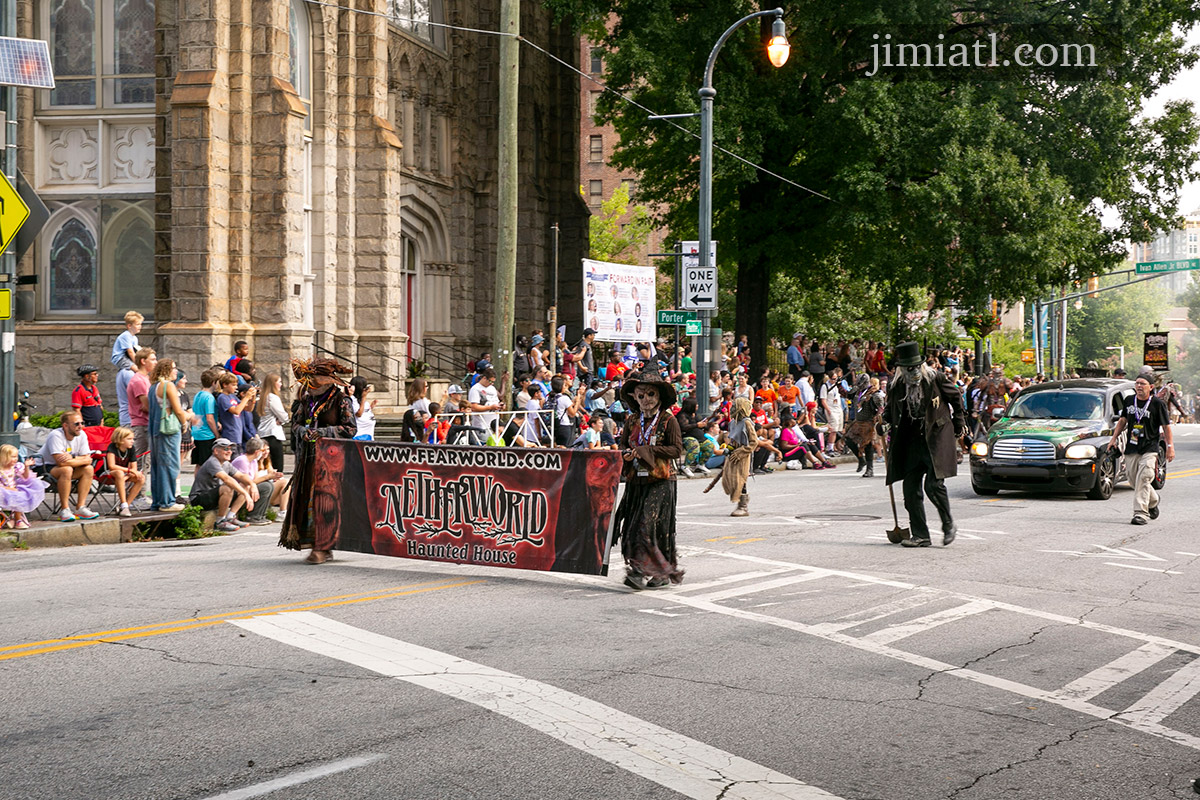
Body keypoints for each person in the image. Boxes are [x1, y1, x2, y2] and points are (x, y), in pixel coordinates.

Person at [884, 342, 965, 548]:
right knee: (910, 489)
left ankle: (948, 525)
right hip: (911, 440)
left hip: (935, 436)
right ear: (901, 368)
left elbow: (955, 398)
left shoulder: (935, 378)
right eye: (907, 368)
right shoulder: (896, 384)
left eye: (914, 367)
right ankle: (920, 535)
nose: (912, 372)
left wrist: (959, 422)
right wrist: (884, 423)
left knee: (933, 485)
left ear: (921, 365)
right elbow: (890, 408)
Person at [280, 357, 357, 564]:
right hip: (308, 460)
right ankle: (319, 544)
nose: (310, 387)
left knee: (325, 503)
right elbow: (294, 425)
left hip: (331, 462)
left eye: (314, 382)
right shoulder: (305, 401)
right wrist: (303, 431)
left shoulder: (341, 401)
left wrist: (321, 432)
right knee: (309, 502)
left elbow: (350, 429)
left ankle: (322, 547)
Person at [612, 372, 684, 589]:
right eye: (641, 395)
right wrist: (625, 454)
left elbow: (676, 449)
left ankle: (641, 571)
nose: (646, 400)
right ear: (634, 396)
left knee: (649, 525)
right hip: (636, 482)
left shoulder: (668, 420)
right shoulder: (632, 421)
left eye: (651, 394)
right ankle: (651, 571)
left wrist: (647, 450)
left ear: (659, 396)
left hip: (661, 481)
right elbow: (623, 445)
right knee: (633, 528)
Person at [1109, 373, 1174, 525]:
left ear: (1151, 387)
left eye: (1142, 384)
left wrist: (1170, 447)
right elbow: (1123, 420)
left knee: (1144, 477)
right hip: (1132, 446)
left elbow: (1166, 427)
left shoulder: (1158, 404)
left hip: (1150, 448)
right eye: (1137, 383)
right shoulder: (1129, 400)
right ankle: (1154, 500)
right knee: (1133, 480)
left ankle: (1140, 513)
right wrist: (1113, 439)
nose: (1138, 386)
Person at [38, 410, 99, 521]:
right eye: (76, 424)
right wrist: (82, 459)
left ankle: (80, 507)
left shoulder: (82, 435)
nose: (80, 426)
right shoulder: (56, 435)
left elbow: (88, 459)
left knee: (89, 469)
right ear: (65, 426)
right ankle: (65, 509)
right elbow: (61, 462)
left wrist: (73, 458)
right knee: (66, 470)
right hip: (44, 467)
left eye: (82, 423)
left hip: (69, 466)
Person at [148, 358, 189, 512]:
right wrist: (184, 423)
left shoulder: (153, 387)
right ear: (166, 370)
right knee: (170, 465)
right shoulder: (168, 385)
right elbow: (178, 410)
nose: (176, 371)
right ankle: (167, 502)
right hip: (169, 431)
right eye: (173, 367)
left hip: (156, 430)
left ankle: (158, 500)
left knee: (158, 466)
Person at [189, 438, 253, 533]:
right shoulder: (212, 462)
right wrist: (246, 494)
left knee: (245, 485)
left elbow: (241, 476)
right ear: (216, 451)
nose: (230, 452)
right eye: (226, 449)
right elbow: (226, 479)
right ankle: (220, 521)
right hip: (199, 498)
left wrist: (252, 485)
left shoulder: (226, 464)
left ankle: (230, 517)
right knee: (227, 488)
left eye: (231, 449)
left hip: (213, 496)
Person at [712, 397, 757, 516]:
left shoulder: (747, 423)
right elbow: (732, 439)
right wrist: (728, 449)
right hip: (732, 455)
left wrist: (741, 451)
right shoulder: (733, 423)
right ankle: (740, 502)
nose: (731, 409)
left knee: (740, 479)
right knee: (729, 479)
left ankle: (743, 506)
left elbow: (754, 442)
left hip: (742, 455)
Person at [232, 437, 284, 525]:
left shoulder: (253, 461)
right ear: (257, 452)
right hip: (238, 490)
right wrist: (267, 476)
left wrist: (271, 477)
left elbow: (255, 480)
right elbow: (246, 481)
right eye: (262, 450)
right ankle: (253, 516)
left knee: (268, 485)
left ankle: (261, 515)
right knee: (266, 486)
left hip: (248, 488)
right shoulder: (242, 460)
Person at [127, 347, 157, 491]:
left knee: (145, 462)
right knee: (140, 461)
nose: (155, 362)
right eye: (152, 359)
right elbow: (146, 406)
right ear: (143, 361)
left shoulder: (146, 379)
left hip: (147, 424)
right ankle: (136, 495)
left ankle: (139, 494)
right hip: (141, 424)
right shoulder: (138, 381)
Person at [845, 375, 885, 477]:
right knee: (848, 440)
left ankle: (870, 469)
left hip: (868, 422)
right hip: (858, 421)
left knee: (867, 445)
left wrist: (878, 416)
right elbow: (846, 394)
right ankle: (861, 460)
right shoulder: (857, 392)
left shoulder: (874, 394)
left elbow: (881, 407)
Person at [0, 444, 44, 530]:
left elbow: (26, 477)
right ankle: (11, 518)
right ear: (4, 457)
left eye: (16, 456)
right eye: (13, 457)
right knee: (14, 494)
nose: (16, 459)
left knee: (21, 495)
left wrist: (27, 467)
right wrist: (8, 489)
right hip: (3, 491)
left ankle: (17, 520)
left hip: (14, 488)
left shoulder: (16, 467)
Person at [104, 426, 145, 517]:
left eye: (133, 439)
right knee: (119, 473)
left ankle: (125, 505)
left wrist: (128, 475)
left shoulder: (131, 449)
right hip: (108, 473)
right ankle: (123, 503)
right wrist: (129, 471)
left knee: (141, 478)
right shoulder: (112, 447)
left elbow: (134, 467)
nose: (132, 441)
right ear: (120, 440)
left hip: (124, 474)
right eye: (129, 439)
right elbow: (112, 466)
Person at [256, 373, 289, 472]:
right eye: (279, 382)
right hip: (273, 433)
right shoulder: (272, 398)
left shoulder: (261, 397)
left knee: (267, 465)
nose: (281, 384)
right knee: (277, 466)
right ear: (273, 383)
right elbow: (284, 416)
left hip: (263, 432)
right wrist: (283, 420)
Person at [216, 372, 256, 452]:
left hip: (238, 435)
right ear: (225, 385)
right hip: (230, 435)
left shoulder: (233, 396)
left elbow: (248, 409)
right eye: (233, 385)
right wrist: (246, 397)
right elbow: (236, 411)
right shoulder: (222, 397)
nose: (236, 387)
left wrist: (252, 397)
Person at [191, 368, 221, 467]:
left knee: (199, 464)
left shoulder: (198, 395)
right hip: (207, 434)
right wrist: (216, 433)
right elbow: (209, 418)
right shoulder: (209, 397)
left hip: (197, 432)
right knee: (208, 464)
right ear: (213, 383)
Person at [467, 367, 503, 434]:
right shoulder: (475, 389)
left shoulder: (492, 388)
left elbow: (497, 401)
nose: (491, 383)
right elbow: (473, 407)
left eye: (493, 382)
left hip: (495, 424)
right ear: (484, 378)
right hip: (482, 426)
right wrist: (490, 407)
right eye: (490, 381)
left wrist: (500, 406)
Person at [350, 377, 378, 441]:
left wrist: (371, 407)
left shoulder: (362, 400)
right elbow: (359, 414)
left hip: (369, 433)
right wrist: (364, 397)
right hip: (359, 436)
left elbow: (364, 411)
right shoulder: (352, 399)